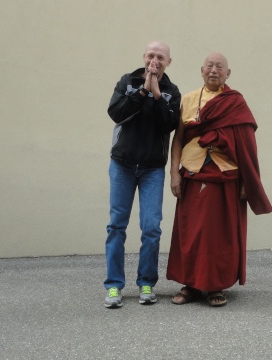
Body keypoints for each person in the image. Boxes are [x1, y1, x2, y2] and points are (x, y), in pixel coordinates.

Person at [166, 52, 272, 307]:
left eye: (220, 67)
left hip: (226, 174)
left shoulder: (236, 103)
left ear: (228, 73)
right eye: (209, 66)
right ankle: (190, 284)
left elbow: (248, 146)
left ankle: (215, 285)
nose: (214, 70)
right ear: (201, 70)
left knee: (219, 234)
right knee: (190, 231)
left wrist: (248, 180)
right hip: (193, 171)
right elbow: (178, 138)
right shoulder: (190, 100)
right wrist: (173, 173)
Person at [103, 41, 181, 309]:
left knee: (151, 228)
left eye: (160, 57)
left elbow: (169, 124)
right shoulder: (128, 81)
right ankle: (114, 286)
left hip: (152, 169)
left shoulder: (172, 91)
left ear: (168, 62)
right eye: (150, 55)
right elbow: (116, 113)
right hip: (122, 165)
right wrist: (141, 92)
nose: (154, 61)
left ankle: (146, 282)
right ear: (143, 57)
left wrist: (157, 96)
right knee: (117, 226)